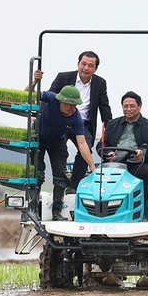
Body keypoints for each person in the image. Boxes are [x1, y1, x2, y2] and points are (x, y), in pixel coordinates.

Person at [34, 86, 95, 220]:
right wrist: (34, 81)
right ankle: (33, 209)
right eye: (67, 104)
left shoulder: (76, 118)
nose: (70, 108)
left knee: (60, 177)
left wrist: (91, 165)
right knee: (37, 174)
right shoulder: (51, 98)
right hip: (38, 137)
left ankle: (56, 213)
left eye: (73, 105)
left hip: (57, 141)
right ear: (60, 100)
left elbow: (82, 143)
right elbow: (29, 92)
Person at [99, 91, 148, 201]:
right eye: (125, 106)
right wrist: (108, 154)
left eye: (132, 106)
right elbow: (101, 144)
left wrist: (142, 153)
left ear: (140, 106)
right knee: (98, 172)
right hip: (114, 163)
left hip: (136, 164)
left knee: (147, 171)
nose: (128, 109)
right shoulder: (112, 124)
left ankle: (142, 208)